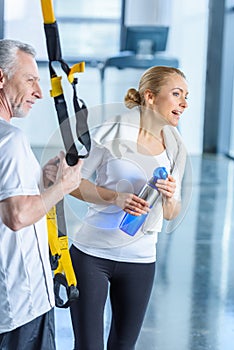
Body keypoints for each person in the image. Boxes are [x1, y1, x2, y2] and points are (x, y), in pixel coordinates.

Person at [69, 65, 189, 350]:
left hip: (140, 260)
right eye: (176, 94)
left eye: (186, 96)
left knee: (124, 346)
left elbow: (172, 213)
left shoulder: (176, 148)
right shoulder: (108, 133)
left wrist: (171, 197)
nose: (184, 103)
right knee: (88, 346)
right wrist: (114, 197)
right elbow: (71, 183)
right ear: (150, 96)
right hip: (92, 255)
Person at [0, 39, 83, 350]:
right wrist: (63, 187)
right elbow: (17, 215)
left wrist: (40, 183)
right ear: (1, 78)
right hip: (22, 303)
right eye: (30, 79)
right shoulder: (10, 139)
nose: (39, 91)